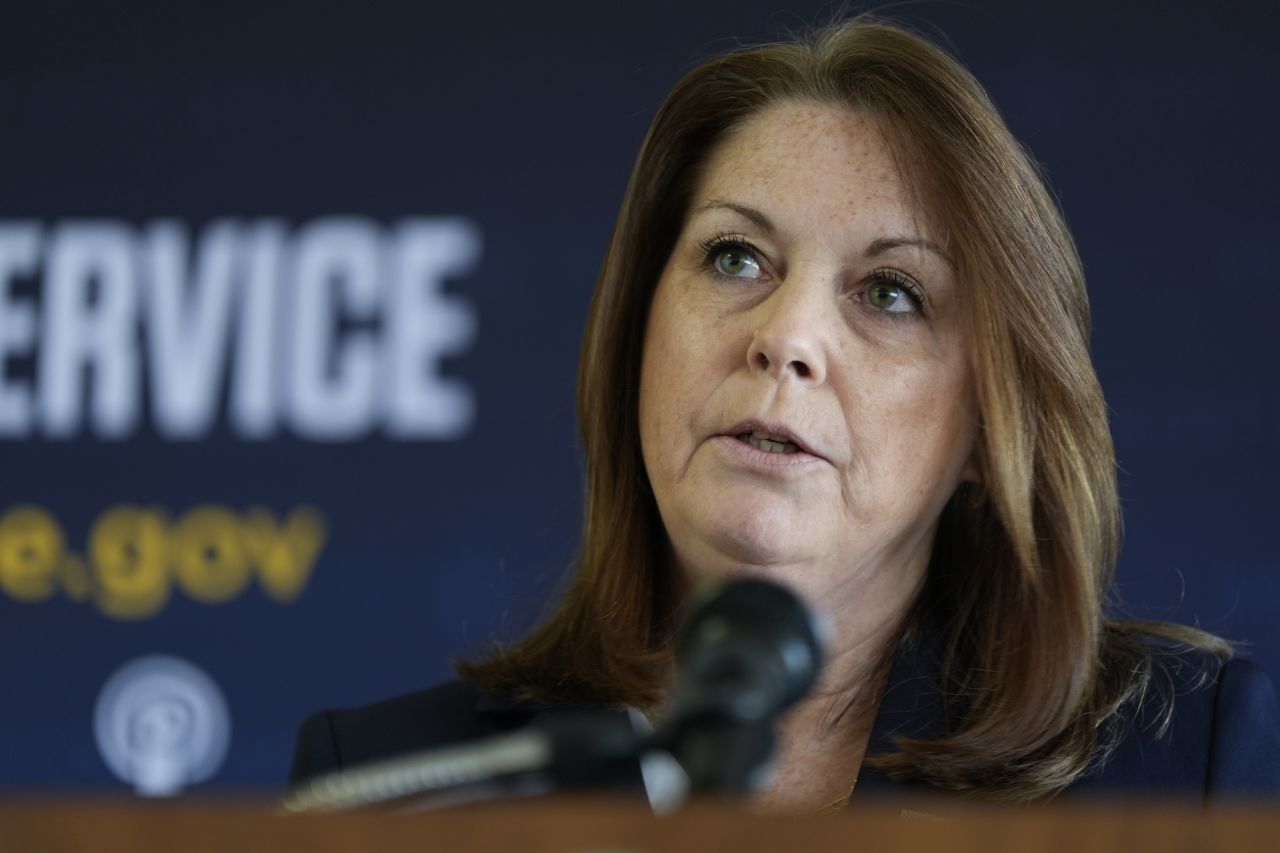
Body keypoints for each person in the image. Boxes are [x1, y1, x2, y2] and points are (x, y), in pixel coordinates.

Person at [289, 16, 1280, 809]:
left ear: (986, 427)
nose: (787, 336)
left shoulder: (1187, 764)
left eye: (889, 291)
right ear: (637, 328)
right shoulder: (393, 789)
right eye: (734, 258)